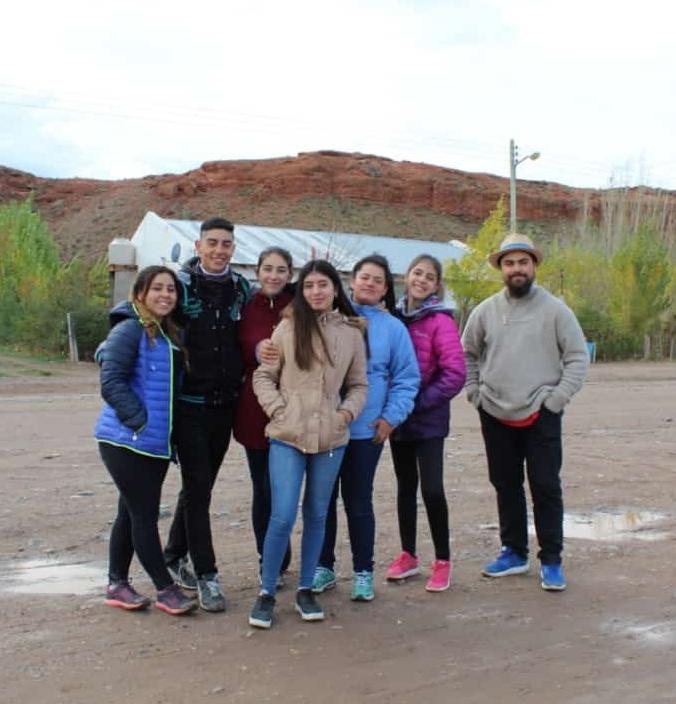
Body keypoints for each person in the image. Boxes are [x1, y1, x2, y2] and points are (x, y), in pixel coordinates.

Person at [461, 233, 588, 591]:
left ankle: (551, 559)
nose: (516, 269)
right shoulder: (485, 311)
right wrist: (474, 392)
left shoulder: (555, 310)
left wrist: (557, 398)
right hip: (494, 411)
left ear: (534, 266)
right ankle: (514, 552)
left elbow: (578, 357)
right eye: (509, 262)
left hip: (541, 412)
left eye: (523, 262)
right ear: (501, 268)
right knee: (505, 484)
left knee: (546, 485)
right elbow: (467, 353)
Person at [248, 260, 368, 629]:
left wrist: (345, 414)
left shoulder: (351, 334)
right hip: (287, 436)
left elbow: (359, 384)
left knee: (317, 513)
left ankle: (305, 589)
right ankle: (267, 592)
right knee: (282, 513)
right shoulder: (287, 327)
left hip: (331, 438)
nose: (316, 291)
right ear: (302, 291)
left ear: (336, 289)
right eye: (310, 285)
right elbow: (263, 376)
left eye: (324, 284)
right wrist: (278, 411)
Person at [312, 254, 420, 602]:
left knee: (358, 502)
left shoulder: (393, 329)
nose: (369, 284)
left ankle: (362, 572)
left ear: (386, 289)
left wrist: (391, 418)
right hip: (328, 429)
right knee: (322, 501)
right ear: (352, 281)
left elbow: (406, 379)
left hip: (366, 432)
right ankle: (323, 566)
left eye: (378, 280)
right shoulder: (331, 319)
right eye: (364, 277)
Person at [95, 266, 197, 616]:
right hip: (126, 441)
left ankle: (116, 583)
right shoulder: (130, 329)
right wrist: (140, 421)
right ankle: (165, 589)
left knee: (129, 510)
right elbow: (111, 382)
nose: (166, 295)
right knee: (144, 514)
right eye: (157, 288)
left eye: (171, 289)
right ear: (140, 293)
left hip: (152, 444)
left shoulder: (167, 334)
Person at [163, 217, 250, 612]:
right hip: (189, 405)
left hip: (225, 405)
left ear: (233, 249)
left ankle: (172, 556)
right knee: (198, 488)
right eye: (212, 242)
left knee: (200, 487)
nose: (219, 250)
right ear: (198, 246)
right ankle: (207, 576)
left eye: (226, 244)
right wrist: (113, 345)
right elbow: (140, 309)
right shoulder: (179, 286)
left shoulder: (241, 289)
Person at [386, 254, 466, 592]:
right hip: (397, 421)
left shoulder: (440, 321)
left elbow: (455, 373)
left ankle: (443, 560)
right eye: (417, 272)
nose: (422, 280)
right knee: (405, 487)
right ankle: (408, 555)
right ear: (407, 276)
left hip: (427, 420)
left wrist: (416, 403)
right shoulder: (394, 317)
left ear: (436, 285)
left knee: (432, 488)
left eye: (429, 277)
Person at [233, 246, 294, 584]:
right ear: (257, 272)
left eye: (281, 270)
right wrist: (256, 351)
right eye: (268, 268)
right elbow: (237, 347)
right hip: (254, 411)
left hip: (294, 411)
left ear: (290, 274)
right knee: (263, 489)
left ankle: (284, 553)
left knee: (286, 488)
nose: (273, 275)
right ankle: (269, 558)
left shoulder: (299, 307)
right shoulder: (244, 308)